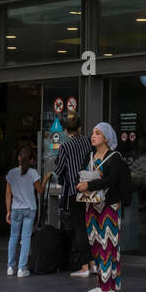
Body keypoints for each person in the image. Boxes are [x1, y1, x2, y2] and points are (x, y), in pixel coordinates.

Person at [76, 122, 131, 292]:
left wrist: (89, 185)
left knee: (109, 246)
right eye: (92, 132)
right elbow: (84, 175)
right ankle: (101, 285)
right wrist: (83, 185)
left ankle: (112, 289)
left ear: (106, 138)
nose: (93, 136)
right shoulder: (90, 155)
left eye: (97, 133)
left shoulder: (114, 158)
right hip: (91, 206)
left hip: (109, 207)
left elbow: (111, 180)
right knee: (96, 245)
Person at [55, 113, 94, 277]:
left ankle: (85, 266)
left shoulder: (65, 147)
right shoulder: (87, 141)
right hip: (90, 189)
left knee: (79, 228)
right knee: (91, 226)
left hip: (73, 191)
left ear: (65, 130)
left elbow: (59, 170)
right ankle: (94, 263)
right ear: (79, 128)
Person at [5, 145, 42, 277]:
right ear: (32, 160)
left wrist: (8, 211)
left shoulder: (11, 173)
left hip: (15, 209)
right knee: (25, 238)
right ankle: (21, 269)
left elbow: (8, 194)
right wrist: (47, 178)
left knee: (13, 237)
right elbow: (40, 191)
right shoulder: (33, 173)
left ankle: (10, 267)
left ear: (19, 158)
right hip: (29, 209)